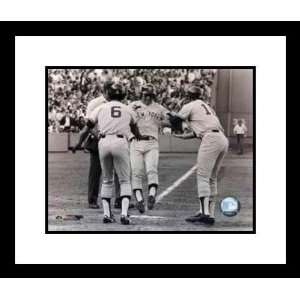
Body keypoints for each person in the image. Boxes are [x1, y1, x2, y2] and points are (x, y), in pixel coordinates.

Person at [170, 86, 229, 225]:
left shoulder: (190, 105)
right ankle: (210, 213)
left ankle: (204, 214)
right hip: (222, 139)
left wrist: (169, 115)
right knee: (212, 178)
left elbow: (176, 121)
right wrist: (183, 137)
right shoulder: (207, 107)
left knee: (202, 176)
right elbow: (199, 131)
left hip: (210, 139)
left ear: (188, 95)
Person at [88, 82, 141, 225]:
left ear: (108, 94)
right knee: (124, 180)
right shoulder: (128, 108)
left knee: (107, 179)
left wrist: (98, 133)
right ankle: (123, 214)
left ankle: (107, 214)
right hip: (120, 142)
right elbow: (135, 128)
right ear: (123, 94)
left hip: (104, 141)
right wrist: (137, 136)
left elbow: (88, 123)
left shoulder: (100, 107)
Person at [128, 84, 170, 213]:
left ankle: (151, 195)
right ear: (141, 94)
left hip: (152, 142)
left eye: (150, 95)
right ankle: (139, 200)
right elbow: (124, 120)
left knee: (152, 170)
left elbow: (170, 120)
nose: (147, 98)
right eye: (145, 95)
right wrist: (129, 136)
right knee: (136, 172)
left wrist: (163, 122)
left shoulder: (159, 108)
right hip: (136, 141)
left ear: (153, 96)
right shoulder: (133, 105)